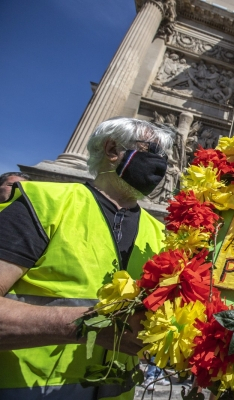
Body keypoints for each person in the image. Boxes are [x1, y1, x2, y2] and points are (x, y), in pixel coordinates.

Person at [0, 118, 173, 399]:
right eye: (150, 150)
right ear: (112, 149)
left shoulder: (161, 234)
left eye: (164, 156)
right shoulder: (44, 204)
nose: (161, 165)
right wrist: (86, 324)